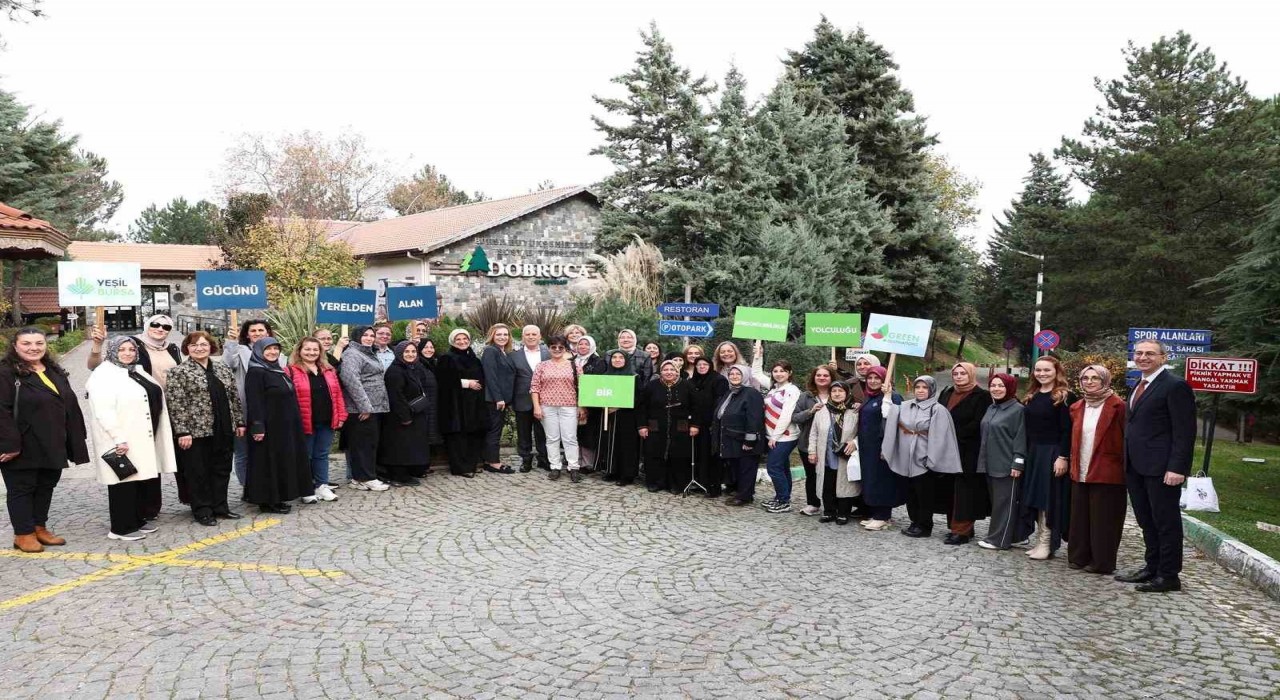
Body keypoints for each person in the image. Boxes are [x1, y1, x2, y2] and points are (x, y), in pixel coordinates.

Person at [0, 327, 90, 553]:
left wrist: (75, 435)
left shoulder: (52, 369)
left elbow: (67, 402)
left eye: (39, 343)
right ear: (15, 346)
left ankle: (39, 527)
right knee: (22, 488)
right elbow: (1, 410)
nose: (34, 348)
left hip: (52, 440)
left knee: (45, 486)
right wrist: (9, 444)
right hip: (22, 443)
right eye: (27, 343)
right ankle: (23, 533)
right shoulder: (6, 372)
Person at [1116, 340, 1195, 593]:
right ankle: (1152, 567)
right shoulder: (1139, 384)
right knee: (1146, 520)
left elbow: (1184, 432)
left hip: (1162, 468)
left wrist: (1177, 468)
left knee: (1165, 521)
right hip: (1136, 465)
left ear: (1163, 357)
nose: (1143, 357)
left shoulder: (1175, 386)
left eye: (1150, 353)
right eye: (1138, 353)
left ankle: (1169, 575)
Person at [86, 337, 178, 540]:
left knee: (138, 480)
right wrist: (118, 438)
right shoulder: (104, 374)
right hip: (120, 438)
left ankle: (136, 519)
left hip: (141, 435)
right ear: (112, 351)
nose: (127, 353)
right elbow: (103, 411)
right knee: (123, 482)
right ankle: (121, 528)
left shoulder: (135, 370)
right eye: (122, 349)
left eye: (131, 349)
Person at [166, 331, 245, 526]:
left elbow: (234, 398)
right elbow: (176, 403)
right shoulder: (179, 372)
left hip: (224, 427)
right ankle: (202, 510)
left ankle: (220, 506)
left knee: (221, 469)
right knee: (198, 472)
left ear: (211, 347)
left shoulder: (222, 369)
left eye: (203, 344)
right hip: (196, 432)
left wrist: (239, 422)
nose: (199, 348)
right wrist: (183, 431)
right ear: (187, 348)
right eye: (194, 345)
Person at [882, 376, 963, 539]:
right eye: (917, 387)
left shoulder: (938, 409)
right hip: (906, 457)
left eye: (924, 387)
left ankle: (925, 525)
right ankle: (914, 521)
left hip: (924, 457)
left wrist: (931, 459)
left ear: (931, 390)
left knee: (924, 493)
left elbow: (940, 437)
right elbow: (893, 425)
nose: (920, 390)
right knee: (910, 492)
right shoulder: (904, 407)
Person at [1068, 364, 1127, 575]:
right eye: (1085, 378)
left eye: (1095, 378)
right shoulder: (1076, 407)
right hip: (1080, 467)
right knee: (1080, 515)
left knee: (1105, 518)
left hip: (1108, 470)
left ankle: (1102, 561)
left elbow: (1127, 440)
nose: (1090, 382)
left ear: (1105, 381)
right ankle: (1078, 556)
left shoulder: (1119, 407)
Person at [243, 337, 312, 513]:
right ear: (259, 351)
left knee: (280, 462)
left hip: (284, 426)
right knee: (267, 463)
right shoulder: (256, 372)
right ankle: (267, 501)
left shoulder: (276, 370)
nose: (273, 352)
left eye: (275, 349)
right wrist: (257, 426)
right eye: (268, 349)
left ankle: (279, 497)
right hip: (268, 426)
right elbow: (254, 400)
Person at [1018, 356, 1077, 560]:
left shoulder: (1063, 396)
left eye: (1047, 370)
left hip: (1052, 453)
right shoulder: (1033, 394)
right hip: (1034, 452)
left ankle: (1047, 542)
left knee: (1048, 499)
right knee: (1035, 497)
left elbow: (1067, 430)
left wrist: (1063, 457)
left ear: (1056, 372)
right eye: (1038, 370)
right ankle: (1039, 539)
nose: (1042, 374)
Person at [937, 362, 993, 545]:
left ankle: (962, 530)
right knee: (950, 489)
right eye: (956, 373)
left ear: (971, 375)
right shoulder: (947, 392)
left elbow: (979, 422)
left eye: (963, 373)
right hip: (947, 449)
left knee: (966, 491)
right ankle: (956, 527)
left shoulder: (982, 396)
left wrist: (953, 434)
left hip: (968, 450)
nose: (959, 376)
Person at [286, 337, 345, 503]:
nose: (311, 352)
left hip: (326, 418)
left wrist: (341, 415)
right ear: (299, 351)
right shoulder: (291, 371)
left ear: (320, 352)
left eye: (315, 349)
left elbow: (337, 394)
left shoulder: (328, 370)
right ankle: (305, 488)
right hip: (305, 421)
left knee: (322, 454)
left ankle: (322, 485)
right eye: (307, 349)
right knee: (306, 455)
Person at [224, 318, 278, 486]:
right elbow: (227, 364)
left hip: (271, 409)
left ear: (268, 332)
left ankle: (266, 486)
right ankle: (247, 487)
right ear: (247, 335)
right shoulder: (238, 351)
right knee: (243, 452)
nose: (257, 334)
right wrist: (231, 343)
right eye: (253, 331)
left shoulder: (277, 353)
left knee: (268, 451)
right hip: (244, 408)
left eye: (261, 330)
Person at [977, 374, 1027, 550]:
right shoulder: (992, 408)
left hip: (1007, 466)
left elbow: (1021, 438)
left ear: (1010, 388)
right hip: (990, 464)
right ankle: (1014, 536)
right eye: (993, 385)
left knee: (1004, 505)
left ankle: (998, 540)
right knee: (997, 503)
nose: (996, 389)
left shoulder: (1018, 410)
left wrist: (1017, 463)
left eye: (1001, 386)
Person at [379, 341, 438, 486]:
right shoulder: (395, 371)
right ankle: (398, 476)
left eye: (413, 351)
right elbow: (396, 396)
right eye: (407, 352)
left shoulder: (410, 368)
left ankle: (406, 473)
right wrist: (405, 416)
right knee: (400, 447)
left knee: (408, 446)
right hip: (400, 417)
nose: (410, 354)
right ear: (399, 354)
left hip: (412, 414)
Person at [339, 326, 391, 492]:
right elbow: (351, 380)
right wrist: (364, 406)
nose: (369, 338)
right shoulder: (352, 354)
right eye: (365, 335)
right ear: (357, 337)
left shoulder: (368, 352)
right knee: (363, 445)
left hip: (374, 407)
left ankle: (359, 477)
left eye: (371, 335)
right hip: (361, 409)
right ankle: (365, 478)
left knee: (369, 443)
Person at [530, 335, 584, 482]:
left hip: (569, 406)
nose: (557, 350)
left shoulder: (574, 366)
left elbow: (582, 388)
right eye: (554, 347)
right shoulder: (542, 366)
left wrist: (581, 407)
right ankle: (555, 466)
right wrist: (537, 406)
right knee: (552, 438)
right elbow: (535, 388)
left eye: (560, 347)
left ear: (565, 349)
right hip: (547, 406)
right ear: (549, 348)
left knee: (570, 438)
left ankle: (573, 467)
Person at [637, 359, 696, 493]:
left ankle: (676, 484)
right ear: (661, 371)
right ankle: (655, 482)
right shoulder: (652, 386)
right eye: (665, 370)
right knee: (654, 453)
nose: (669, 372)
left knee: (677, 454)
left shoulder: (687, 386)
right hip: (655, 423)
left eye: (672, 370)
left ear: (677, 371)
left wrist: (695, 425)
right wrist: (642, 426)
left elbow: (696, 407)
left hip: (680, 424)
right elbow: (642, 407)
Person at [436, 328, 487, 478]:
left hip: (474, 403)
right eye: (458, 339)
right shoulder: (447, 358)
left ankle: (471, 464)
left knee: (473, 434)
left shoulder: (474, 358)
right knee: (458, 437)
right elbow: (443, 380)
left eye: (465, 339)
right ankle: (460, 467)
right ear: (452, 341)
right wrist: (466, 383)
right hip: (455, 404)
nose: (462, 342)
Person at [858, 367, 904, 531]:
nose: (873, 381)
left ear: (885, 379)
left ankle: (882, 516)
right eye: (870, 377)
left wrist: (888, 396)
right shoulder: (869, 396)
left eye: (877, 378)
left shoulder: (893, 397)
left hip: (882, 446)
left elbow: (892, 417)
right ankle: (877, 513)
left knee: (882, 479)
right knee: (871, 478)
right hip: (867, 446)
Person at [808, 380, 860, 524]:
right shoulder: (822, 410)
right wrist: (812, 451)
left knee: (845, 484)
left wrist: (855, 443)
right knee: (827, 483)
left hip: (845, 455)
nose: (837, 394)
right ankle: (829, 511)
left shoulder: (854, 411)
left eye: (840, 391)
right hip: (826, 455)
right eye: (834, 391)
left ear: (847, 393)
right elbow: (814, 433)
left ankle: (843, 513)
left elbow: (861, 433)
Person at [713, 365, 764, 507]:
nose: (734, 376)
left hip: (745, 439)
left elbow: (754, 418)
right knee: (737, 467)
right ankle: (740, 492)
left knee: (746, 467)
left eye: (738, 374)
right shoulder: (730, 392)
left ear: (745, 376)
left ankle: (745, 496)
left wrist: (750, 440)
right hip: (732, 438)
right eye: (732, 374)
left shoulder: (751, 393)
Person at [791, 365, 836, 517]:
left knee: (831, 475)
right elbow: (795, 417)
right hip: (808, 443)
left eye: (826, 375)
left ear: (831, 378)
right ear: (813, 378)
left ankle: (832, 505)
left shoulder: (837, 392)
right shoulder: (806, 396)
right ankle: (813, 503)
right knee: (812, 475)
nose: (822, 378)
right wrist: (810, 411)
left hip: (832, 444)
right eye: (818, 375)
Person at [760, 360, 802, 513]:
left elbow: (786, 415)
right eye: (775, 371)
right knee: (783, 467)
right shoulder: (774, 388)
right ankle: (781, 497)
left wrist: (774, 437)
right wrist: (758, 355)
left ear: (789, 373)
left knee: (774, 467)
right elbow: (756, 374)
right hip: (773, 435)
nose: (778, 374)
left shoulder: (792, 390)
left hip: (785, 436)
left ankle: (784, 501)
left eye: (782, 371)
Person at [596, 349, 642, 486]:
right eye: (614, 357)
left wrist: (620, 405)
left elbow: (639, 398)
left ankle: (626, 475)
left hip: (627, 416)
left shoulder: (634, 377)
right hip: (608, 415)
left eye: (620, 357)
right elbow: (598, 393)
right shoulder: (605, 376)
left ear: (626, 360)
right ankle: (611, 471)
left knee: (626, 445)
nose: (617, 360)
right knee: (611, 443)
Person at [510, 325, 550, 472]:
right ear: (523, 337)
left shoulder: (549, 354)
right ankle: (525, 459)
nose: (531, 337)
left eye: (534, 334)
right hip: (522, 400)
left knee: (543, 432)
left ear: (540, 337)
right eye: (528, 334)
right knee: (523, 432)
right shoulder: (514, 355)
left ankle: (544, 459)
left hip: (545, 400)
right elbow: (511, 379)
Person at [687, 356, 728, 497]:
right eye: (699, 365)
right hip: (696, 424)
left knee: (712, 456)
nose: (702, 367)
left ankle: (713, 486)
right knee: (698, 455)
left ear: (710, 366)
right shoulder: (692, 381)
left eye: (705, 364)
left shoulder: (718, 380)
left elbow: (720, 402)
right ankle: (699, 482)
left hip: (712, 425)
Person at [480, 324, 516, 474]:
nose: (502, 337)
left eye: (505, 334)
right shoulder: (490, 351)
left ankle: (490, 459)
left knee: (496, 430)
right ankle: (493, 463)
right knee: (494, 431)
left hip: (502, 398)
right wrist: (498, 398)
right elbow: (491, 376)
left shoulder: (503, 352)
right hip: (494, 400)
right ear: (492, 336)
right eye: (499, 334)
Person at [573, 335, 602, 470]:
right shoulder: (570, 361)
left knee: (588, 433)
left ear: (591, 346)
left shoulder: (598, 362)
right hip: (571, 401)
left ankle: (587, 463)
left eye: (586, 344)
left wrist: (585, 404)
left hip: (591, 404)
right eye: (580, 344)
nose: (583, 347)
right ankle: (574, 460)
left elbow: (598, 383)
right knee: (573, 432)